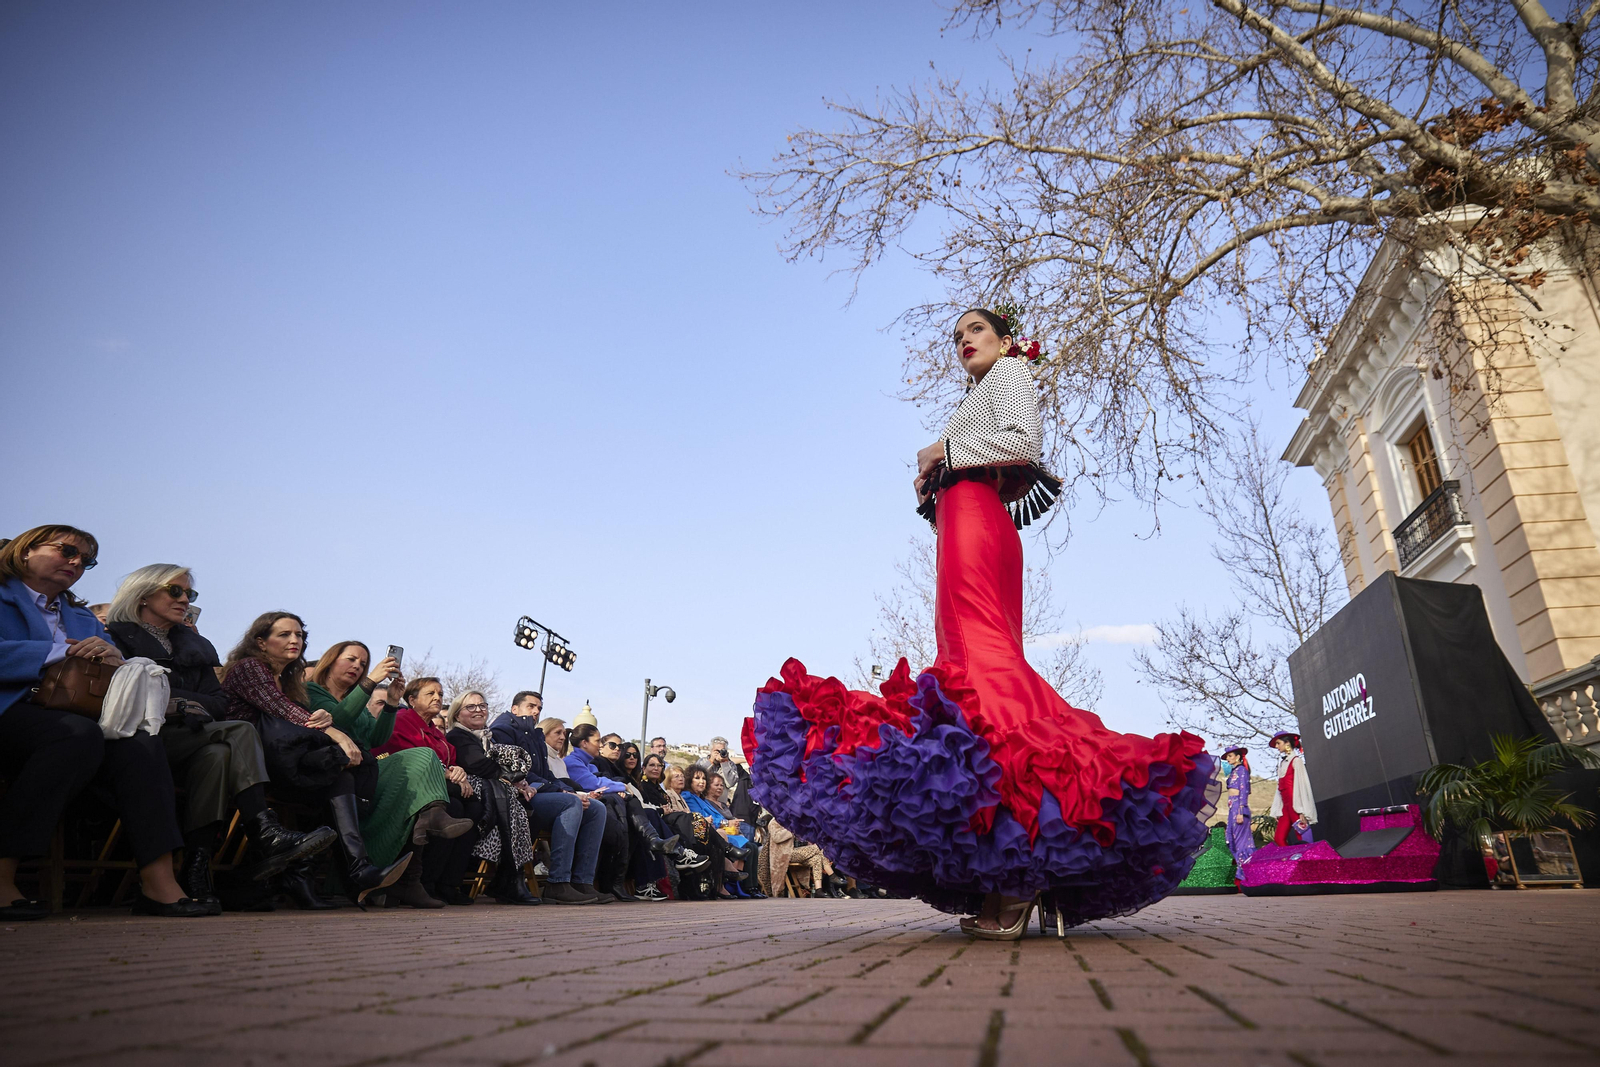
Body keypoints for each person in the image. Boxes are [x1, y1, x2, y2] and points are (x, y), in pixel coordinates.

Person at [747, 307, 1217, 939]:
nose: (965, 340)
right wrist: (935, 485)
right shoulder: (983, 393)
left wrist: (943, 451)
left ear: (1005, 340)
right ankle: (1016, 868)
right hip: (967, 520)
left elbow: (1023, 445)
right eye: (959, 335)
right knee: (972, 666)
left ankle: (1019, 875)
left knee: (981, 666)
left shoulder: (1014, 373)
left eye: (977, 330)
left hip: (978, 520)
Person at [0, 526, 211, 919]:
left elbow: (113, 676)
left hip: (80, 714)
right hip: (12, 708)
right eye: (66, 551)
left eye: (86, 559)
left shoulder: (81, 617)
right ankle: (2, 873)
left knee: (142, 742)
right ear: (25, 551)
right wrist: (57, 651)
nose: (77, 562)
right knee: (73, 736)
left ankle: (158, 880)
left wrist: (116, 661)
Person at [105, 565, 336, 912]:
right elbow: (124, 691)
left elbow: (218, 702)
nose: (184, 599)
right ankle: (264, 832)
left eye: (189, 594)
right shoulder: (115, 635)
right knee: (239, 731)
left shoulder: (195, 646)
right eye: (175, 590)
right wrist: (180, 701)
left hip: (194, 737)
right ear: (142, 595)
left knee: (217, 756)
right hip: (139, 738)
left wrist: (177, 700)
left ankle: (197, 870)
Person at [222, 612, 410, 905]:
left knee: (343, 773)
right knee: (340, 769)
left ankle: (330, 874)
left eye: (299, 635)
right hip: (248, 762)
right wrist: (336, 729)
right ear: (260, 641)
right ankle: (339, 873)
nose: (295, 640)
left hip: (281, 761)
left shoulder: (288, 679)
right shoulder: (253, 668)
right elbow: (282, 710)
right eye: (284, 634)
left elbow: (375, 740)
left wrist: (392, 704)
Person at [305, 642, 471, 909]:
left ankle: (428, 827)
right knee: (421, 765)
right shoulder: (312, 690)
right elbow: (338, 719)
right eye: (351, 659)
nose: (358, 666)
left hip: (366, 768)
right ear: (330, 660)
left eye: (363, 663)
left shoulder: (358, 699)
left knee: (423, 760)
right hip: (332, 770)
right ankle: (415, 862)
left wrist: (393, 701)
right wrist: (371, 682)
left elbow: (376, 738)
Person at [490, 691, 607, 905]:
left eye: (539, 708)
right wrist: (562, 793)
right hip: (517, 798)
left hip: (539, 794)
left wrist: (565, 789)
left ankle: (582, 882)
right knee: (571, 803)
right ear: (515, 709)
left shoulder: (533, 735)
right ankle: (558, 883)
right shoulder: (504, 728)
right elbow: (520, 772)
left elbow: (546, 774)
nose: (535, 711)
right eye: (531, 706)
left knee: (597, 809)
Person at [566, 722, 679, 902]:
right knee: (628, 817)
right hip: (586, 806)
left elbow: (599, 780)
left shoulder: (589, 764)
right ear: (584, 743)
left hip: (602, 806)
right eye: (599, 742)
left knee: (632, 813)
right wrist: (623, 786)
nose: (601, 745)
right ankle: (663, 850)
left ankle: (619, 879)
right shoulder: (573, 762)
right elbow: (595, 784)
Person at [447, 691, 541, 905]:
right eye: (471, 707)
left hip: (495, 793)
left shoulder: (488, 737)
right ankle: (509, 880)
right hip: (473, 794)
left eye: (482, 705)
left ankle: (506, 879)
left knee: (528, 814)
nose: (478, 710)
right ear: (456, 714)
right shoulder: (457, 736)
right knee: (516, 814)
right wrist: (512, 778)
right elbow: (477, 764)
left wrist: (518, 781)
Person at [685, 766, 761, 898]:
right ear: (689, 781)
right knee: (747, 846)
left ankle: (752, 887)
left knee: (753, 847)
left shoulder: (702, 799)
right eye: (697, 778)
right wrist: (727, 823)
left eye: (703, 778)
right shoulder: (688, 796)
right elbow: (701, 817)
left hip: (721, 832)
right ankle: (743, 887)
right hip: (707, 832)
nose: (702, 781)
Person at [1268, 733, 1316, 846]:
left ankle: (1310, 861)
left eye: (1278, 743)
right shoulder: (1282, 764)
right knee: (1279, 838)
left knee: (1304, 836)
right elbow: (1279, 790)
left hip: (1296, 806)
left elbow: (1302, 786)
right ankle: (1288, 862)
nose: (1276, 746)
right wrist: (1277, 809)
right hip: (1285, 807)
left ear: (1287, 743)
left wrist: (1303, 811)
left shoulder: (1296, 761)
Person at [1220, 746, 1256, 864]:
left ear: (1238, 757)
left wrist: (1241, 810)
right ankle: (1238, 869)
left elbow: (1244, 790)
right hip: (1232, 808)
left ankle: (1245, 869)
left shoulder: (1242, 771)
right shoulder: (1233, 772)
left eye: (1230, 756)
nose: (1228, 759)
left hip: (1239, 808)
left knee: (1241, 841)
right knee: (1231, 839)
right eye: (1227, 757)